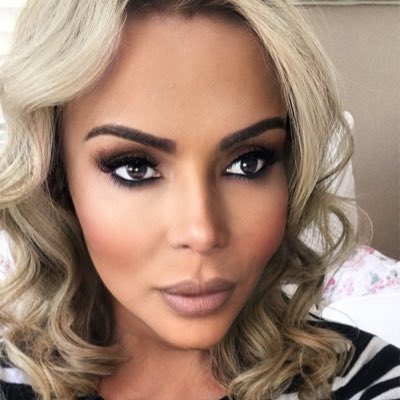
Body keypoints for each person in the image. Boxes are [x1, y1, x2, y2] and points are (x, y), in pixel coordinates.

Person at [0, 0, 399, 399]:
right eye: (135, 168)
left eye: (248, 163)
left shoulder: (367, 381)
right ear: (56, 176)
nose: (202, 233)